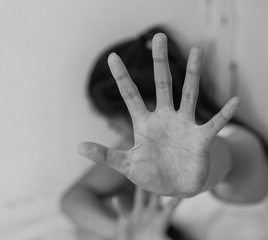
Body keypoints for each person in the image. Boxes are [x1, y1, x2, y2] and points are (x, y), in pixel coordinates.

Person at [61, 26, 268, 240]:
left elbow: (222, 157)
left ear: (147, 105)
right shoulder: (144, 146)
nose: (111, 128)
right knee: (86, 232)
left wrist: (201, 169)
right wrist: (124, 232)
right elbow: (73, 198)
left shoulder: (242, 145)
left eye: (111, 120)